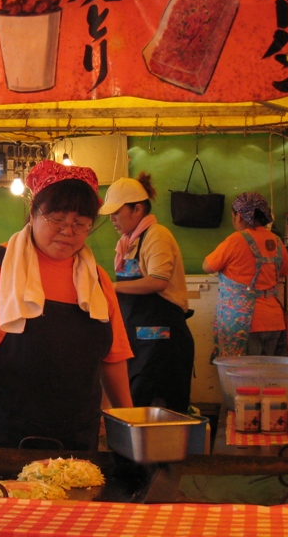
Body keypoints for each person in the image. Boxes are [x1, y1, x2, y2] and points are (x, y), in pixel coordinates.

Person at [0, 160, 133, 451]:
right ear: (33, 213)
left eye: (81, 224)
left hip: (76, 444)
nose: (68, 231)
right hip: (2, 441)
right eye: (57, 219)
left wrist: (129, 420)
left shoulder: (97, 279)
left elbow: (114, 358)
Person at [99, 173, 194, 414]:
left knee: (154, 401)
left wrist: (113, 286)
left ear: (137, 209)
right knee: (136, 398)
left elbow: (158, 281)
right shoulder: (128, 242)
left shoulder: (156, 235)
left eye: (117, 212)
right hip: (139, 336)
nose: (112, 219)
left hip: (159, 336)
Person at [204, 192, 288, 359]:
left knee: (244, 379)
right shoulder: (276, 240)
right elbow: (287, 269)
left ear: (238, 216)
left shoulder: (235, 240)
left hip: (244, 323)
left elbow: (207, 266)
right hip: (274, 321)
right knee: (270, 377)